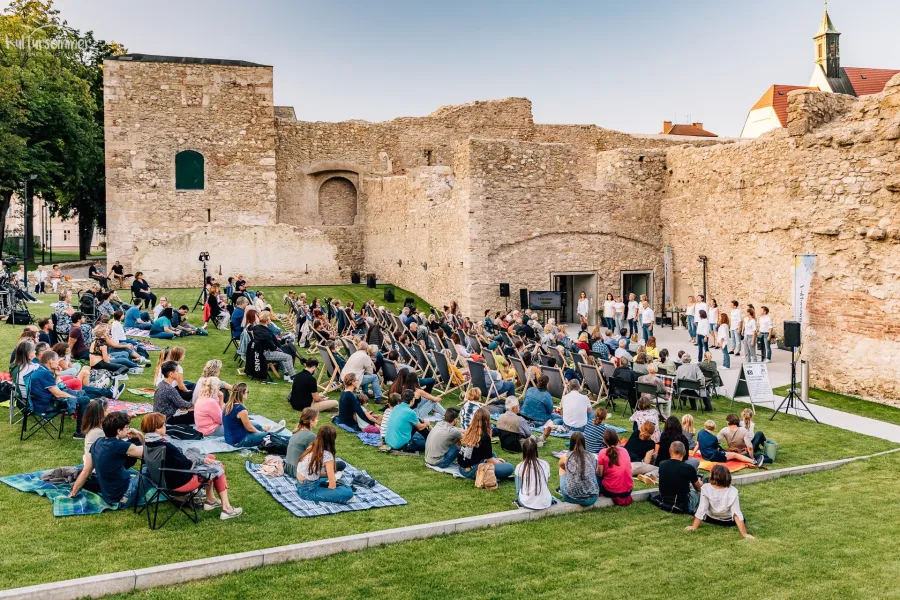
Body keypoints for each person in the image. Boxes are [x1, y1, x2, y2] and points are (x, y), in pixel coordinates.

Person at [140, 412, 243, 519]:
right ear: (157, 429)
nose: (165, 426)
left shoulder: (148, 442)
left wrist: (202, 459)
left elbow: (180, 460)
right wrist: (200, 460)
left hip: (161, 481)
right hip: (178, 484)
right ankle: (227, 509)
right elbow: (187, 464)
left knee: (210, 458)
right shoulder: (165, 446)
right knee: (218, 467)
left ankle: (211, 500)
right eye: (164, 424)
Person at [69, 412, 144, 506]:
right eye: (126, 427)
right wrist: (139, 434)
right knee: (146, 472)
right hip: (124, 493)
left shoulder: (97, 442)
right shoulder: (121, 446)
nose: (128, 429)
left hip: (108, 494)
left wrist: (73, 492)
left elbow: (85, 472)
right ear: (118, 431)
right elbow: (149, 453)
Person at [28, 350, 91, 439]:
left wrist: (57, 375)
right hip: (46, 406)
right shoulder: (45, 373)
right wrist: (73, 397)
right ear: (50, 361)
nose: (58, 363)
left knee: (82, 393)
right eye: (57, 360)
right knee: (85, 400)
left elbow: (54, 388)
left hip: (38, 402)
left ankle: (86, 425)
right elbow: (57, 394)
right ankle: (79, 432)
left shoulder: (41, 369)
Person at [686, 465, 755, 539]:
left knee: (696, 510)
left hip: (709, 518)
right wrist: (744, 534)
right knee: (742, 518)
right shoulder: (733, 491)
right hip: (727, 521)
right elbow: (736, 513)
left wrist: (694, 526)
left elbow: (702, 508)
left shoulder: (706, 488)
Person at [295, 426, 354, 504]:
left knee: (330, 477)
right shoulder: (327, 455)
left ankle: (325, 485)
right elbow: (332, 486)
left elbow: (312, 472)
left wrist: (328, 476)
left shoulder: (312, 446)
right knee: (348, 492)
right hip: (308, 492)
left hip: (300, 484)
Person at [457, 407, 513, 481]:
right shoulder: (484, 437)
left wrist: (494, 459)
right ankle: (490, 472)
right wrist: (499, 462)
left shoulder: (470, 430)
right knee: (509, 467)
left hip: (461, 467)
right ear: (487, 420)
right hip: (472, 470)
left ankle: (494, 466)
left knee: (492, 454)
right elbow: (490, 460)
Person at [223, 383, 281, 449]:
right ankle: (281, 436)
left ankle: (270, 428)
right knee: (270, 436)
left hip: (230, 439)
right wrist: (260, 433)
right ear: (242, 394)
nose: (247, 394)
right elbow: (249, 428)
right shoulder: (241, 409)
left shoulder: (228, 405)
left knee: (256, 426)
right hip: (239, 441)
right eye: (247, 392)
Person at [657, 441, 702, 514]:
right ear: (684, 452)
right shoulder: (689, 468)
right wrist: (700, 483)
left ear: (670, 451)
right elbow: (698, 488)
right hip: (681, 504)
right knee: (702, 492)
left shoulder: (662, 464)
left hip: (664, 500)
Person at [558, 431, 599, 506]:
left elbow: (561, 466)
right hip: (592, 498)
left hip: (570, 497)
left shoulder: (566, 456)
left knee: (562, 469)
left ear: (571, 443)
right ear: (584, 442)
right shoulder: (592, 456)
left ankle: (564, 488)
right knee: (593, 473)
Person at [596, 429, 633, 502]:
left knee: (596, 472)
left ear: (604, 440)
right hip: (628, 490)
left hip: (611, 491)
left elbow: (600, 474)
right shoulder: (624, 450)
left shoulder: (602, 452)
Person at [514, 437, 552, 510]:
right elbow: (546, 481)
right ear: (536, 450)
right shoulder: (545, 464)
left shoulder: (520, 466)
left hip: (526, 502)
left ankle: (520, 500)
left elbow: (518, 487)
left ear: (524, 451)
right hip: (546, 502)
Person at [153, 361, 194, 425]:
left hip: (159, 415)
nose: (178, 373)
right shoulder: (170, 389)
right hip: (167, 419)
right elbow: (182, 404)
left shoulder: (161, 384)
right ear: (171, 374)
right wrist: (195, 405)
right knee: (195, 415)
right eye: (177, 371)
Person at [284, 408, 319, 478]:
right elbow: (316, 457)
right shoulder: (311, 436)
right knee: (338, 465)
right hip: (299, 471)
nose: (317, 421)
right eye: (316, 419)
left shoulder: (296, 431)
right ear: (311, 421)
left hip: (288, 467)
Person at [625, 420, 659, 484]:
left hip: (620, 463)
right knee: (659, 469)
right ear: (652, 433)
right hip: (633, 466)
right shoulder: (651, 443)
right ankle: (647, 475)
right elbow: (647, 461)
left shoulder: (635, 433)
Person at [80, 398, 109, 463]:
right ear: (103, 412)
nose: (110, 410)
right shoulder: (98, 432)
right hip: (95, 466)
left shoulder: (94, 427)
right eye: (108, 408)